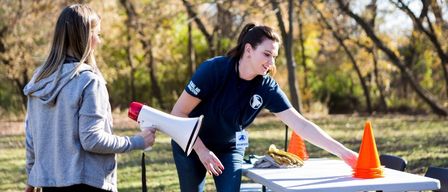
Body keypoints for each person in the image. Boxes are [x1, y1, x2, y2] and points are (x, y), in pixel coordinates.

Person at [170, 23, 358, 191]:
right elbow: (178, 113)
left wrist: (344, 153)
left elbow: (300, 125)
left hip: (228, 148)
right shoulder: (213, 70)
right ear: (249, 50)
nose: (271, 63)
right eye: (267, 54)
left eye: (274, 57)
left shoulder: (266, 87)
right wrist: (202, 150)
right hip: (190, 142)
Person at [23, 4, 156, 192]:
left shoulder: (39, 80)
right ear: (85, 37)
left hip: (48, 183)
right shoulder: (88, 81)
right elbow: (92, 139)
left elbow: (31, 139)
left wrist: (32, 178)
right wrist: (137, 141)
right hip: (87, 183)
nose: (99, 41)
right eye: (97, 34)